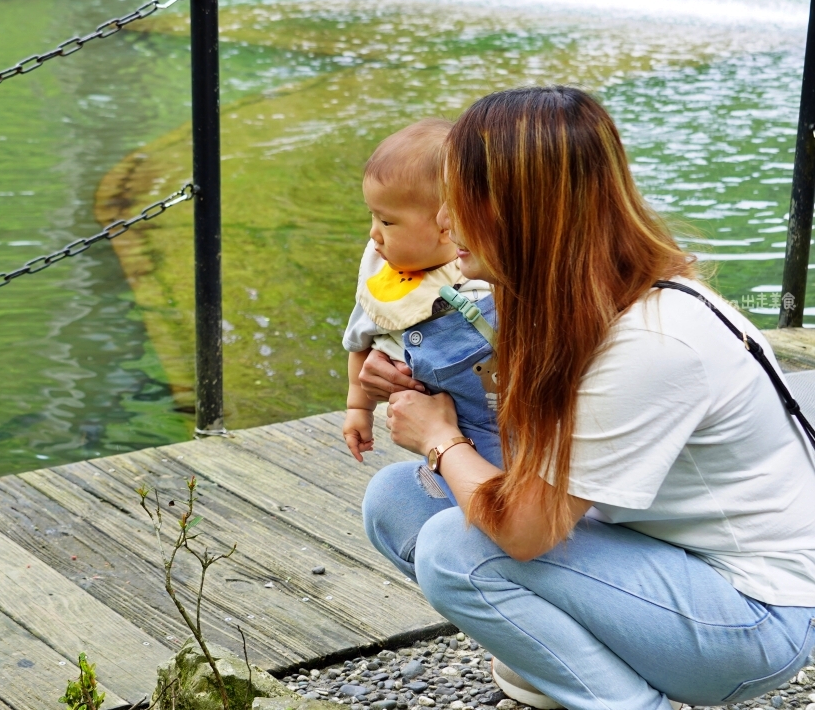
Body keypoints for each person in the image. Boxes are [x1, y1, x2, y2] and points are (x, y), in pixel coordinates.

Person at [359, 86, 815, 710]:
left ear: (520, 211)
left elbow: (524, 532)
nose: (442, 222)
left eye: (458, 201)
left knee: (453, 548)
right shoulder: (570, 298)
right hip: (657, 554)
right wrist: (422, 384)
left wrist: (440, 439)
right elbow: (527, 453)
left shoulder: (653, 340)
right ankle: (567, 658)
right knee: (399, 499)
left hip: (753, 616)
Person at [342, 119, 501, 505]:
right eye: (372, 216)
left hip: (512, 424)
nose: (373, 234)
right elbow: (360, 344)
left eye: (386, 221)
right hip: (454, 431)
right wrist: (357, 407)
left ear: (446, 225)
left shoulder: (491, 271)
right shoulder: (388, 281)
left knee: (507, 500)